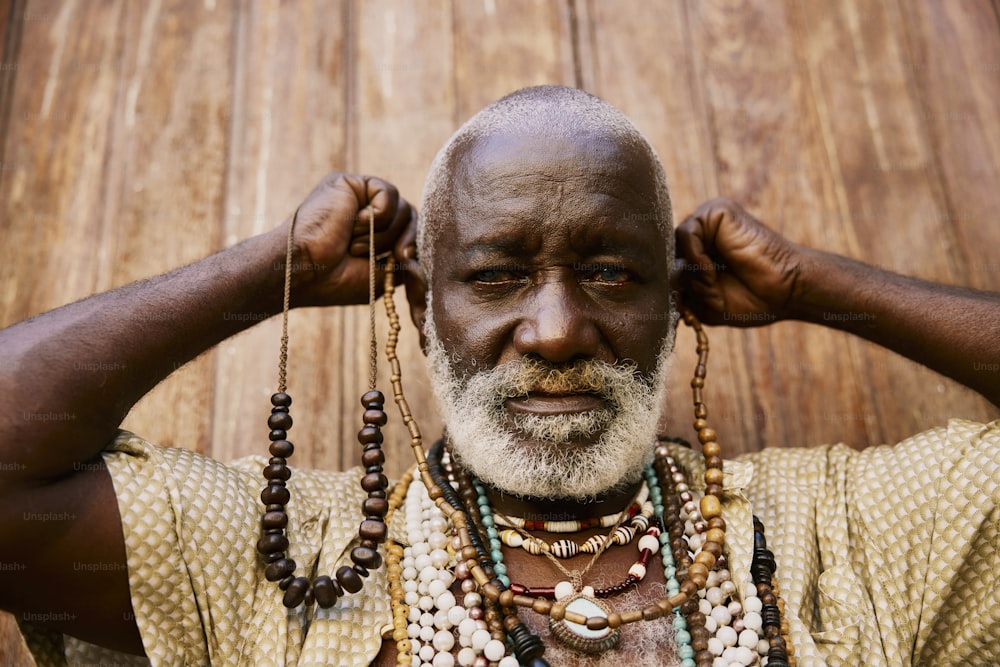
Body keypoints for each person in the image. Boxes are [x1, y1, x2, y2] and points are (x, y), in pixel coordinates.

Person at [0, 85, 997, 667]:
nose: (558, 331)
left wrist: (816, 284)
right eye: (495, 275)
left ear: (675, 301)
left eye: (610, 272)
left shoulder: (846, 534)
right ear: (423, 302)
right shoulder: (289, 559)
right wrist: (275, 270)